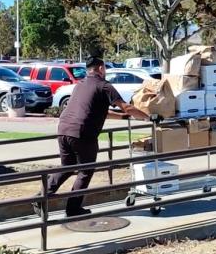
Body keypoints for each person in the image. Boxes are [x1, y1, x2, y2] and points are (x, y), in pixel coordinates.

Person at [37, 57, 149, 216]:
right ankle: (73, 208)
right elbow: (127, 107)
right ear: (101, 69)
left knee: (67, 167)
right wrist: (148, 116)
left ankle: (41, 196)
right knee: (85, 170)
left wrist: (123, 117)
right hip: (82, 133)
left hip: (63, 129)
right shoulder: (104, 86)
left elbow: (99, 112)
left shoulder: (80, 85)